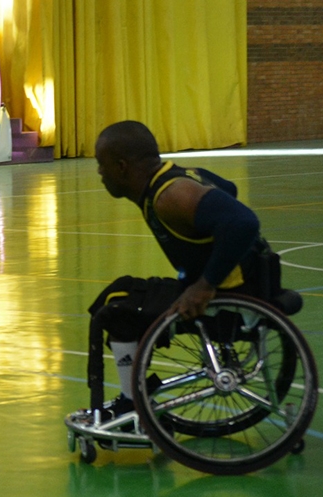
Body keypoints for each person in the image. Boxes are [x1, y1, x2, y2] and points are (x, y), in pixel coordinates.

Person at [86, 120, 289, 418]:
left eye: (101, 165)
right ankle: (135, 396)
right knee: (123, 292)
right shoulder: (182, 177)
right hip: (247, 286)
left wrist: (205, 284)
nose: (100, 173)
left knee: (118, 306)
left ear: (121, 167)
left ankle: (133, 406)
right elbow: (227, 190)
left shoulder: (171, 195)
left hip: (229, 303)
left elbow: (243, 222)